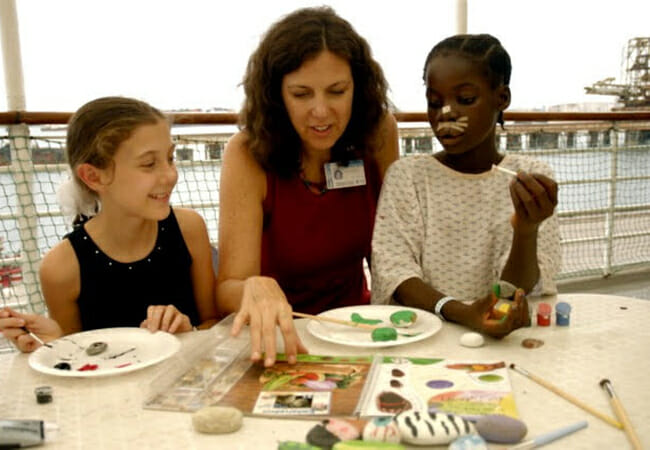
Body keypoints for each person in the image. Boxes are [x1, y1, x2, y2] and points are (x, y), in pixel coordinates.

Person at [218, 6, 399, 366]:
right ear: (275, 95)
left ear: (358, 89)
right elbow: (227, 288)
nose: (321, 111)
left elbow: (391, 253)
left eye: (336, 91)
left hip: (357, 331)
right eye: (301, 94)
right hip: (282, 340)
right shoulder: (246, 154)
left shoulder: (378, 133)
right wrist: (253, 287)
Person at [371, 34, 561, 338]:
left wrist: (527, 230)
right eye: (435, 102)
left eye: (465, 100)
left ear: (502, 98)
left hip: (500, 340)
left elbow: (515, 294)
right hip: (421, 336)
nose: (446, 113)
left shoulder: (531, 177)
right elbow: (395, 272)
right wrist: (463, 312)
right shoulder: (408, 176)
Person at [0, 97, 218, 352]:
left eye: (171, 158)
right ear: (93, 176)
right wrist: (57, 344)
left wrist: (189, 333)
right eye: (149, 164)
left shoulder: (189, 228)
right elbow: (76, 362)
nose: (170, 174)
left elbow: (214, 323)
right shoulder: (61, 268)